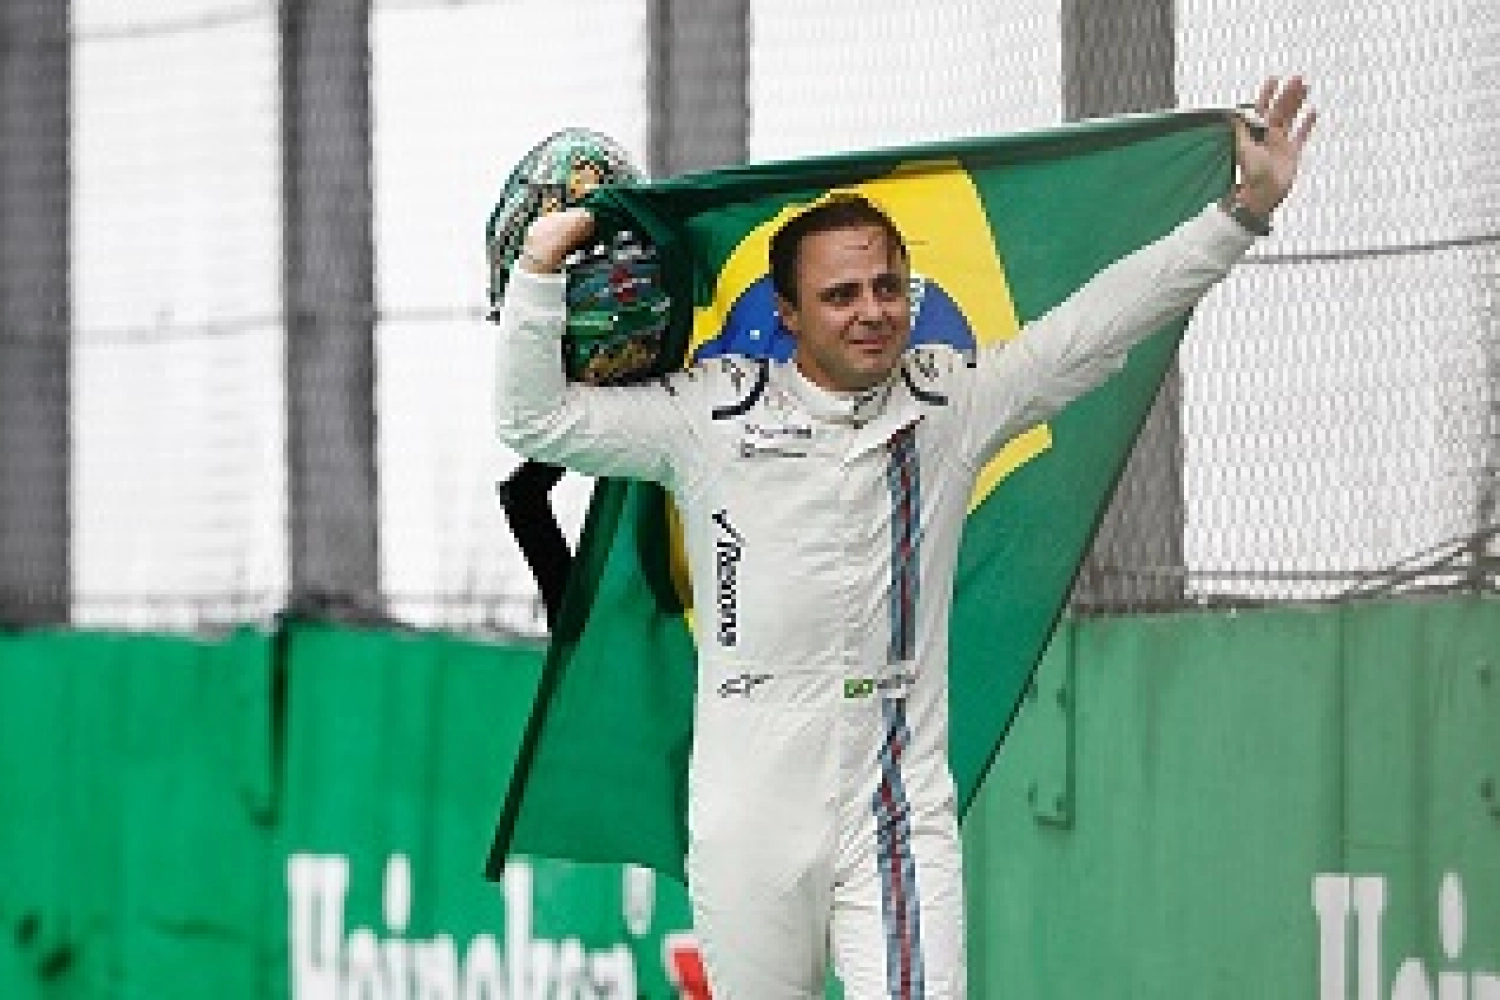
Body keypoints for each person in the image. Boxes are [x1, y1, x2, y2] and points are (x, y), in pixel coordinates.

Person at [491, 77, 1317, 999]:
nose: (873, 309)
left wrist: (1241, 214)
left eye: (889, 286)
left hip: (893, 799)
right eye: (840, 294)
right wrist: (536, 272)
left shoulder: (953, 400)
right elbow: (537, 424)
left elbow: (1096, 328)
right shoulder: (710, 415)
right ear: (789, 313)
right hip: (749, 801)